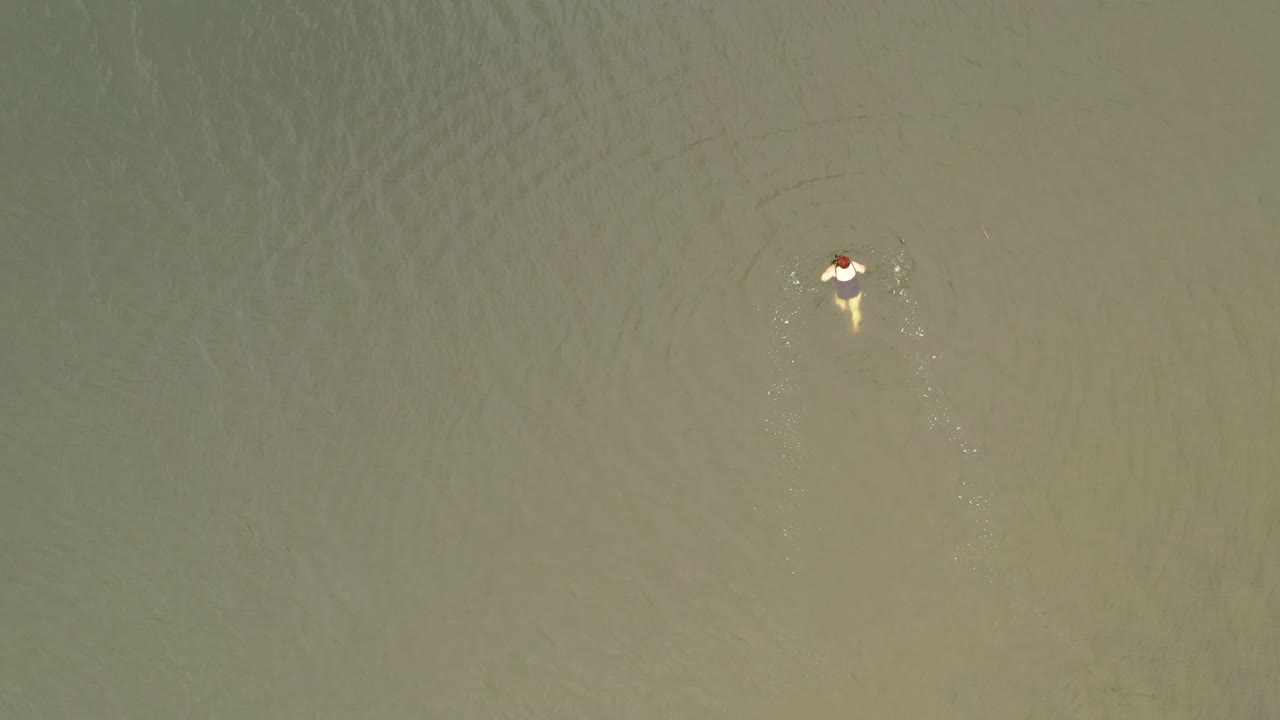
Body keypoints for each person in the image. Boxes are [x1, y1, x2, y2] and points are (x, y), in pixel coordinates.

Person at [821, 254, 867, 333]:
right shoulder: (853, 265)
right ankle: (856, 327)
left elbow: (823, 278)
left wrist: (829, 269)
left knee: (838, 301)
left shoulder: (834, 270)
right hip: (855, 292)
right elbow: (863, 270)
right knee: (855, 309)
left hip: (842, 294)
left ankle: (844, 308)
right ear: (849, 262)